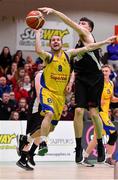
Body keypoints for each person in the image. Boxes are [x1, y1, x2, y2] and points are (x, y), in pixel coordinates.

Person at [16, 28, 116, 170]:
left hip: (60, 98)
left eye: (58, 40)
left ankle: (27, 140)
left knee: (49, 128)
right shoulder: (48, 57)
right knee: (48, 115)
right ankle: (40, 145)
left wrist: (105, 42)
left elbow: (89, 47)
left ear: (62, 43)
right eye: (53, 40)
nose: (56, 41)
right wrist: (38, 33)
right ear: (50, 44)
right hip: (47, 94)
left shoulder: (68, 55)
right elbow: (38, 50)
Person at [38, 7, 114, 164]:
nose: (80, 24)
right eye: (80, 22)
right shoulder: (78, 43)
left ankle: (100, 144)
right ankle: (78, 147)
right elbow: (74, 67)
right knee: (78, 111)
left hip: (95, 78)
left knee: (93, 113)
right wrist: (71, 81)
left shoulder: (86, 35)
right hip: (81, 78)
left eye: (83, 23)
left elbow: (69, 22)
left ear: (89, 28)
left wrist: (54, 12)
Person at [83, 64, 118, 166]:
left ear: (110, 73)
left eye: (106, 71)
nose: (104, 73)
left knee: (96, 138)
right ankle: (109, 158)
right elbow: (98, 100)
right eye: (102, 71)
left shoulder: (111, 83)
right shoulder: (98, 84)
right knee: (113, 133)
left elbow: (111, 99)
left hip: (106, 114)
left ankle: (84, 157)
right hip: (99, 113)